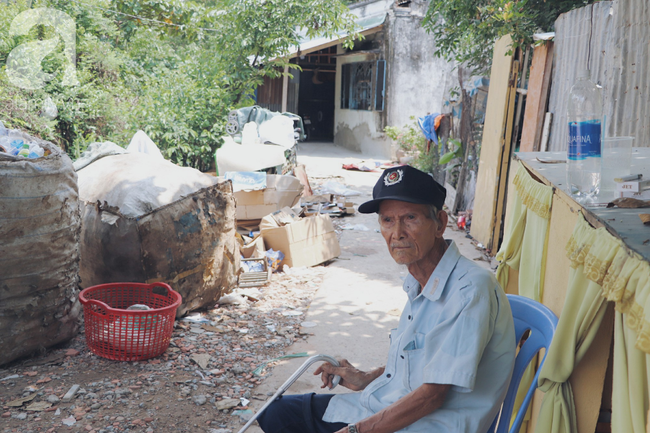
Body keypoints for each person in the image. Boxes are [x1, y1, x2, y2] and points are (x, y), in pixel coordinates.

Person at [257, 165, 516, 433]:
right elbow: (422, 364)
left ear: (440, 223)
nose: (397, 233)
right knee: (275, 414)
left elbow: (433, 395)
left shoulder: (469, 289)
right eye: (387, 220)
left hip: (430, 424)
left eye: (411, 218)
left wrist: (355, 431)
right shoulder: (420, 281)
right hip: (389, 406)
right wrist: (368, 378)